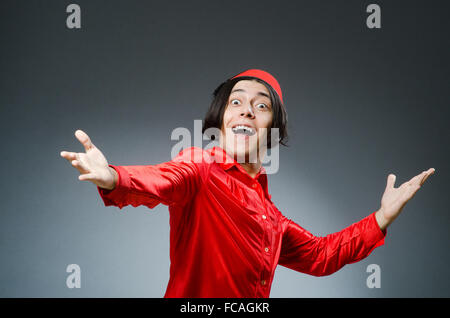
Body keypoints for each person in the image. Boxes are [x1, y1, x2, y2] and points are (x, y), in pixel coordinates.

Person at [60, 69, 435, 298]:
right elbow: (162, 179)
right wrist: (114, 177)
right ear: (221, 120)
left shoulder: (272, 218)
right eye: (236, 102)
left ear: (273, 128)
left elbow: (321, 255)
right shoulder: (200, 167)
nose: (245, 110)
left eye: (260, 105)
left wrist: (381, 218)